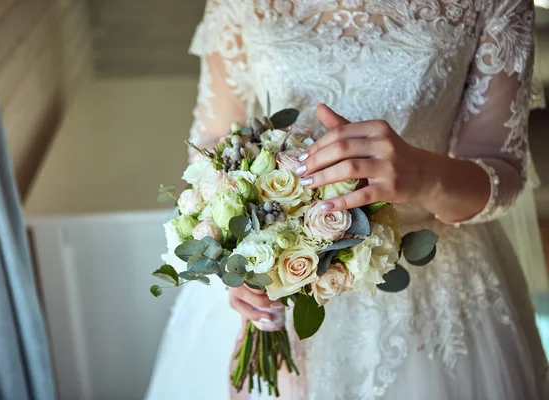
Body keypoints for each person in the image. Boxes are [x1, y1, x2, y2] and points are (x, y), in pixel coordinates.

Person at [147, 1, 548, 399]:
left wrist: (423, 175)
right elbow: (212, 141)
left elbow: (504, 171)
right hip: (270, 269)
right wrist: (235, 256)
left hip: (430, 279)